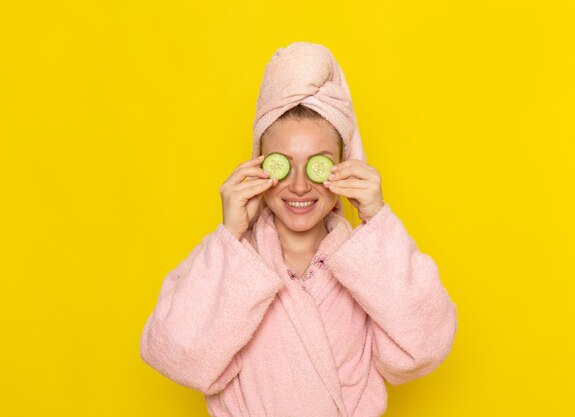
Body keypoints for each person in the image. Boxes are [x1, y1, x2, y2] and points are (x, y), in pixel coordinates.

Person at [140, 41, 458, 417]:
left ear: (344, 165)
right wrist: (230, 237)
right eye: (281, 164)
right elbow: (176, 356)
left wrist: (378, 220)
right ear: (259, 166)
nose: (300, 185)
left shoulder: (367, 264)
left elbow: (425, 346)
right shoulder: (235, 260)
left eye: (318, 164)